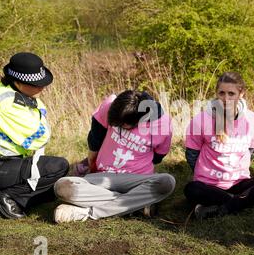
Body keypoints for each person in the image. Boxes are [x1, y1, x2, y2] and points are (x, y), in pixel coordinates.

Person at [0, 52, 69, 219]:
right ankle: (4, 198)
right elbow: (40, 138)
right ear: (18, 82)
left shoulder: (4, 90)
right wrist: (40, 115)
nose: (41, 87)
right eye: (36, 84)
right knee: (59, 167)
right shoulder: (9, 104)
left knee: (54, 190)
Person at [53, 90, 176, 223]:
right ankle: (135, 204)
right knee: (62, 187)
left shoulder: (163, 124)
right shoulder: (110, 104)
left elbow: (158, 157)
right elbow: (95, 140)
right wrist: (90, 164)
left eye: (122, 125)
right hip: (103, 177)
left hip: (138, 180)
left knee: (167, 182)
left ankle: (88, 213)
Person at [184, 72, 254, 220]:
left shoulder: (252, 120)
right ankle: (242, 201)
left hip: (239, 182)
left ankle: (224, 205)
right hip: (208, 184)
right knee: (191, 189)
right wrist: (206, 173)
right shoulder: (201, 120)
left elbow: (251, 151)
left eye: (231, 93)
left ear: (241, 93)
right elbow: (192, 154)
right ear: (216, 94)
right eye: (221, 93)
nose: (226, 98)